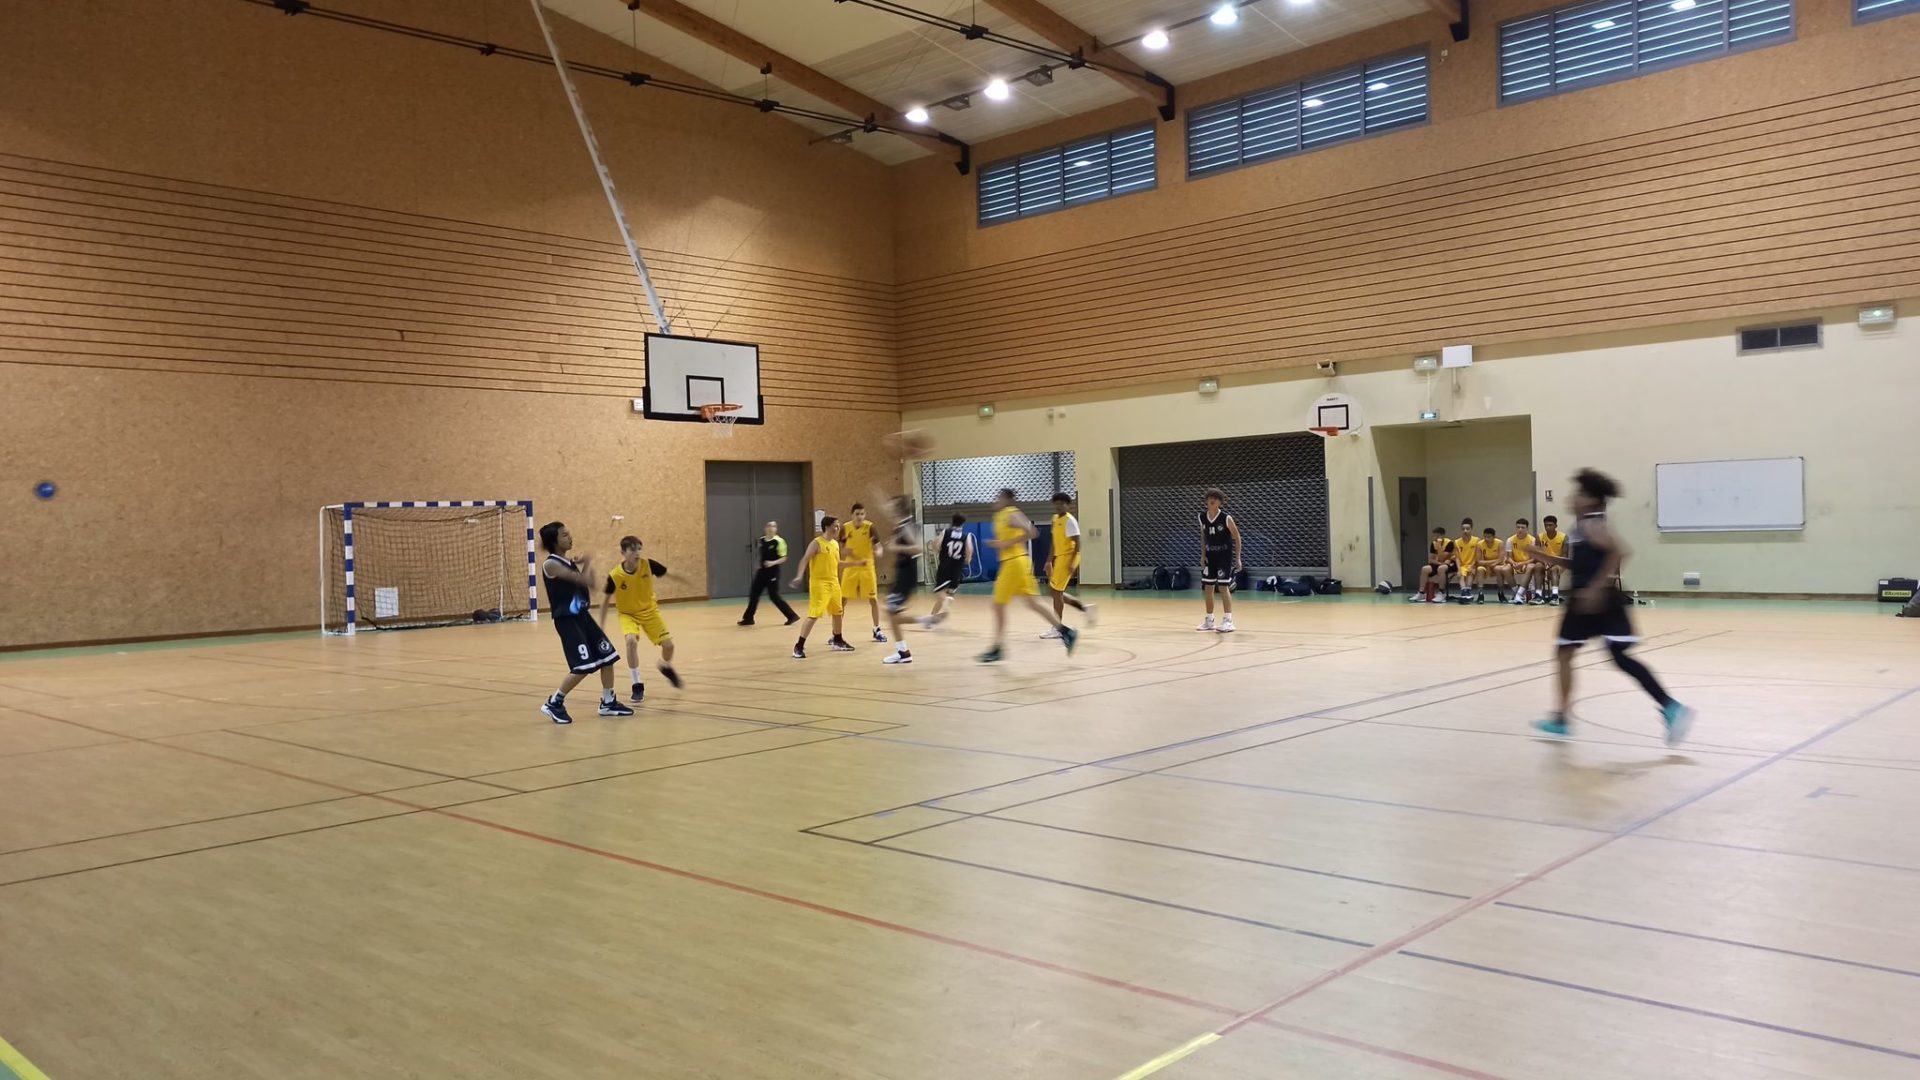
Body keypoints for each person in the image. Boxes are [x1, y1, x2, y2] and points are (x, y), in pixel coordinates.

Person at [1527, 468, 1693, 745]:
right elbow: (1581, 565)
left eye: (1579, 494)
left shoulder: (1592, 524)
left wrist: (1595, 588)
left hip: (1591, 600)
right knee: (1615, 656)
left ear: (1592, 500)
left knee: (1565, 653)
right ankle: (1670, 706)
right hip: (1592, 599)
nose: (1573, 498)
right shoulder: (1583, 525)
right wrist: (1546, 557)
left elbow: (1619, 551)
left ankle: (1561, 720)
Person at [535, 521, 632, 724]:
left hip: (583, 617)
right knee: (583, 666)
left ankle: (608, 702)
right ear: (554, 541)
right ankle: (554, 702)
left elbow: (592, 584)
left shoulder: (568, 562)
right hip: (567, 621)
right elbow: (582, 580)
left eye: (569, 533)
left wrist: (585, 565)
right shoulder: (551, 564)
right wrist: (586, 563)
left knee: (607, 657)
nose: (570, 537)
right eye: (564, 535)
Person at [979, 488, 1077, 663]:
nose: (996, 501)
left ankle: (997, 648)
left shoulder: (1011, 513)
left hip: (1014, 564)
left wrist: (1005, 544)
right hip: (1015, 563)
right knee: (1033, 603)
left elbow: (1032, 532)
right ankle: (1066, 632)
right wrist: (1000, 544)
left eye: (999, 498)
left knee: (998, 605)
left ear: (1006, 499)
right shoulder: (1000, 516)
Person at [600, 535, 681, 704]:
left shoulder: (648, 565)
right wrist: (600, 625)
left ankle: (665, 666)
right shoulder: (615, 575)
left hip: (649, 611)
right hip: (627, 614)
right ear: (623, 552)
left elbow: (670, 574)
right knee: (630, 641)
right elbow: (605, 601)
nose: (637, 553)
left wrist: (685, 579)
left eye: (639, 549)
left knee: (669, 646)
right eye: (632, 549)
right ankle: (637, 684)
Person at [791, 516, 857, 659]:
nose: (838, 528)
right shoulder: (816, 543)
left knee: (838, 612)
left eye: (838, 526)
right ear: (827, 527)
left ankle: (838, 640)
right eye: (835, 526)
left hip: (834, 582)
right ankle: (799, 646)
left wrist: (855, 564)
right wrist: (799, 576)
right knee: (814, 614)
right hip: (819, 583)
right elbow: (805, 559)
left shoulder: (835, 544)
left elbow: (837, 563)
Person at [1041, 492, 1093, 639]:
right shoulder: (1055, 519)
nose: (1059, 506)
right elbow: (1054, 542)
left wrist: (1072, 563)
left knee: (1056, 592)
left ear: (1068, 505)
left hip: (1068, 557)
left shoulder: (1070, 521)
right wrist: (1048, 561)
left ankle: (1058, 628)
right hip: (1060, 557)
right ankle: (1084, 609)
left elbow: (1077, 542)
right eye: (1056, 503)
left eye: (1062, 503)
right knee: (1055, 591)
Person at [877, 495, 922, 665]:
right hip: (902, 575)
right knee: (891, 613)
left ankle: (927, 620)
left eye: (893, 507)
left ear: (899, 509)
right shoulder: (903, 524)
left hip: (906, 576)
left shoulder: (907, 526)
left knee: (891, 613)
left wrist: (896, 546)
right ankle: (903, 652)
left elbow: (919, 548)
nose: (889, 510)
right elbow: (887, 510)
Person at [1197, 488, 1242, 632]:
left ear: (1220, 502)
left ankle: (1228, 620)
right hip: (1210, 557)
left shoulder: (1226, 518)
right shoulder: (1202, 517)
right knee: (1208, 587)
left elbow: (1237, 537)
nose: (1212, 500)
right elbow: (1203, 537)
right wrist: (1203, 555)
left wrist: (1238, 558)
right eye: (1210, 497)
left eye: (1215, 498)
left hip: (1224, 556)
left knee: (1223, 586)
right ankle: (1209, 620)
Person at [739, 520, 799, 626]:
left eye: (774, 526)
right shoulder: (761, 540)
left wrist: (772, 563)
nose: (771, 528)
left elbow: (783, 558)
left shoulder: (779, 541)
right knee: (754, 593)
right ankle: (748, 618)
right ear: (765, 528)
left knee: (774, 595)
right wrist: (758, 563)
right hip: (761, 572)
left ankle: (791, 616)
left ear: (776, 529)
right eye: (769, 526)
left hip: (773, 572)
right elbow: (760, 554)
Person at [840, 503, 885, 643]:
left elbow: (878, 546)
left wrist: (879, 551)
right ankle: (836, 633)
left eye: (862, 514)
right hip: (851, 567)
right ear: (852, 515)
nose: (859, 517)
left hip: (867, 566)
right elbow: (841, 549)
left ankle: (877, 629)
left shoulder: (870, 527)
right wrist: (847, 552)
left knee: (873, 599)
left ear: (865, 515)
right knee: (842, 599)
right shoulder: (845, 528)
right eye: (857, 514)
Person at [922, 513, 973, 629]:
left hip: (945, 566)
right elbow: (969, 550)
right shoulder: (966, 536)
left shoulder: (946, 532)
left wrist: (937, 550)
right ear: (963, 524)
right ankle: (931, 619)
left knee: (940, 593)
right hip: (957, 569)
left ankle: (945, 609)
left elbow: (935, 544)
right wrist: (967, 560)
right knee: (947, 595)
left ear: (952, 521)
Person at [1410, 526, 1454, 603]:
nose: (1435, 538)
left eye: (1437, 536)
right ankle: (1421, 593)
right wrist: (1439, 563)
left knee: (1441, 568)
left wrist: (1439, 545)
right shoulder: (1433, 543)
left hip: (1449, 564)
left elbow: (1442, 557)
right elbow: (1431, 560)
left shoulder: (1449, 543)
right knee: (1425, 569)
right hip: (1439, 563)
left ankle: (1441, 593)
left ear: (1443, 536)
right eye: (1434, 536)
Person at [1535, 515, 1568, 604]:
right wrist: (1544, 561)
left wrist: (1553, 562)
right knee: (1537, 566)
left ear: (1556, 526)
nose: (1548, 527)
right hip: (1544, 561)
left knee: (1554, 569)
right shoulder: (1539, 537)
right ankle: (1538, 596)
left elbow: (1565, 556)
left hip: (1559, 562)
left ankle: (1555, 596)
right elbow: (1537, 555)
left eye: (1550, 525)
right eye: (1546, 525)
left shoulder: (1563, 537)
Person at [1507, 518, 1540, 605]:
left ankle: (1519, 594)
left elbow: (1533, 559)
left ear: (1527, 528)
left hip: (1527, 563)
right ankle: (1515, 592)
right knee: (1505, 568)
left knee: (1530, 567)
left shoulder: (1532, 540)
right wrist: (1513, 563)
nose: (1520, 529)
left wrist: (1522, 563)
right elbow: (1509, 557)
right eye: (1518, 527)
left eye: (1522, 527)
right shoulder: (1510, 540)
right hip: (1516, 564)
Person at [1480, 527, 1512, 602]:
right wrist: (1491, 563)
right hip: (1487, 566)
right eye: (1485, 537)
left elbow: (1500, 559)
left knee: (1498, 569)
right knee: (1479, 569)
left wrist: (1493, 563)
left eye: (1489, 537)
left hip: (1498, 564)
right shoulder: (1480, 544)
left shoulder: (1500, 543)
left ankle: (1501, 593)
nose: (1486, 539)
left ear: (1494, 537)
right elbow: (1479, 561)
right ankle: (1480, 594)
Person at [1454, 517, 1480, 603]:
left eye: (1467, 529)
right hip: (1462, 565)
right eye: (1463, 529)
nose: (1465, 531)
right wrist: (1458, 569)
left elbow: (1477, 556)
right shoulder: (1457, 542)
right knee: (1461, 573)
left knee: (1470, 572)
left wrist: (1472, 566)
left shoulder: (1477, 540)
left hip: (1473, 564)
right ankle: (1464, 592)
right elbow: (1457, 557)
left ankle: (1467, 591)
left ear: (1471, 529)